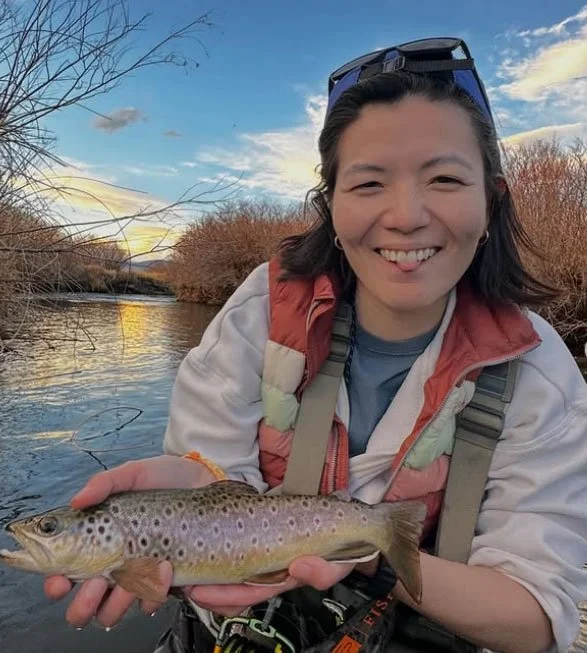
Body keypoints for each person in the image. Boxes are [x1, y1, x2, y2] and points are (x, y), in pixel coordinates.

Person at [44, 38, 587, 653]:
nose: (406, 215)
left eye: (443, 178)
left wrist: (366, 554)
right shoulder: (261, 311)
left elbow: (537, 618)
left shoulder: (538, 370)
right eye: (368, 183)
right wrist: (197, 480)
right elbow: (219, 484)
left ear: (491, 199)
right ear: (329, 205)